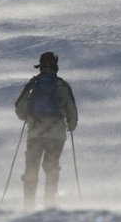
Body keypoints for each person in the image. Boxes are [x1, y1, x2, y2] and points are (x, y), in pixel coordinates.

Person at [15, 51, 78, 208]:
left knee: (32, 168)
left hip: (35, 133)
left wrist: (27, 117)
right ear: (55, 66)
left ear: (41, 66)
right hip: (56, 134)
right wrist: (71, 123)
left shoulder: (34, 84)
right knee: (51, 167)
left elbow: (19, 107)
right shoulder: (62, 85)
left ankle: (28, 204)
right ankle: (49, 203)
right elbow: (71, 109)